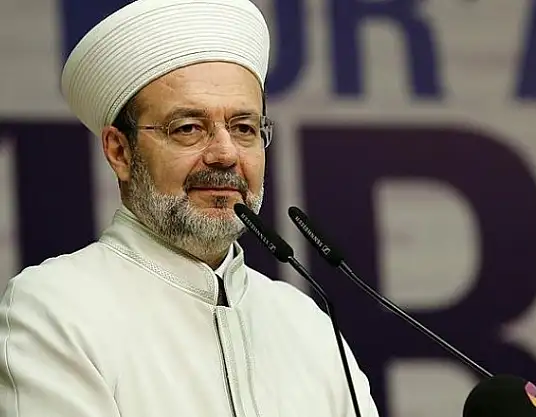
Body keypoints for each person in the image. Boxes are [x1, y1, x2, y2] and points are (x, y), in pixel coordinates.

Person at [0, 0, 380, 416]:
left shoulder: (308, 325)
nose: (225, 154)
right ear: (120, 151)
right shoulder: (56, 307)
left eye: (244, 128)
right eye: (188, 128)